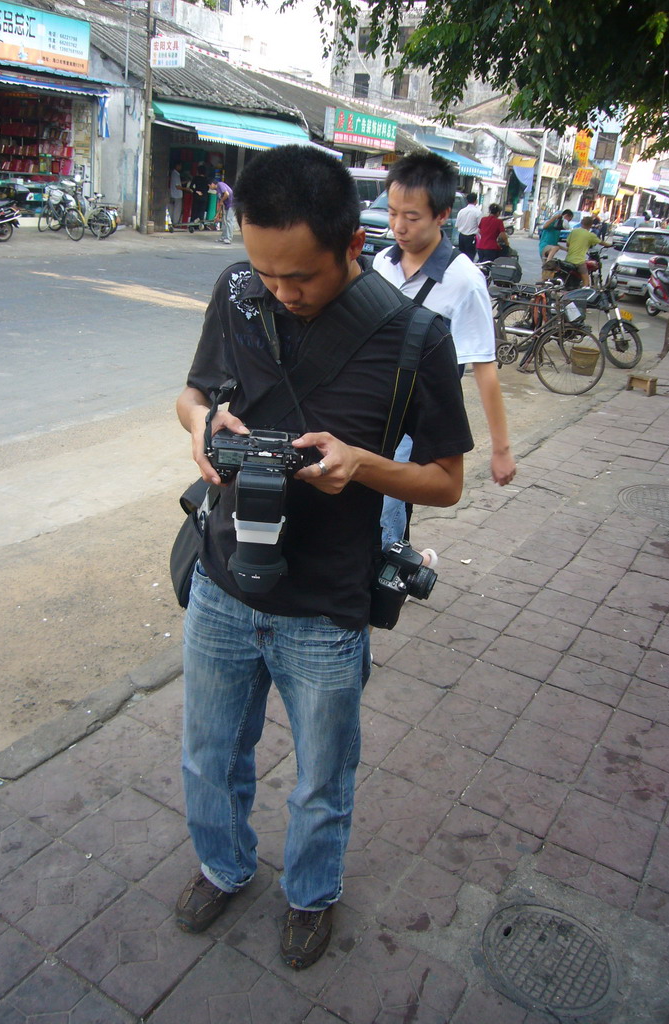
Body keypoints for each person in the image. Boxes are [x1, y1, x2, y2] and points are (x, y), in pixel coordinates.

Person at [174, 144, 473, 969]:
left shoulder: (417, 337)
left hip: (328, 607)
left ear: (351, 245)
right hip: (226, 580)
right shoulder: (237, 294)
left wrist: (363, 464)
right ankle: (223, 865)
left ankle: (310, 895)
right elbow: (192, 393)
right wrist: (201, 427)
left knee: (320, 777)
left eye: (298, 277)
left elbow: (447, 483)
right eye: (264, 271)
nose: (279, 291)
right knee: (208, 754)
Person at [372, 152, 516, 552]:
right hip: (372, 408)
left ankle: (388, 574)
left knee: (388, 503)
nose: (398, 226)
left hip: (416, 418)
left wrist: (501, 450)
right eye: (394, 213)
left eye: (412, 217)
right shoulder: (382, 263)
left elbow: (484, 367)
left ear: (442, 215)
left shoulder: (464, 280)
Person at [565, 215, 612, 286]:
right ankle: (584, 291)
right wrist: (610, 245)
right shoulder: (590, 235)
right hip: (578, 261)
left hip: (568, 260)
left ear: (581, 223)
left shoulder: (573, 231)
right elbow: (602, 243)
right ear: (590, 225)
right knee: (586, 281)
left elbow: (567, 244)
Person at [455, 192, 482, 260]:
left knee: (462, 256)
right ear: (476, 201)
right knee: (470, 257)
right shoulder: (478, 212)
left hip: (461, 236)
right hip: (471, 237)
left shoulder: (461, 211)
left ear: (467, 201)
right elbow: (480, 226)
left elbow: (457, 225)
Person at [188, 164, 210, 231]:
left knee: (194, 211)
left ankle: (192, 225)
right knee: (201, 212)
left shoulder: (196, 178)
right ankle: (200, 225)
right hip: (204, 197)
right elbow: (207, 188)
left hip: (197, 197)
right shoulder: (206, 179)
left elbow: (191, 187)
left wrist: (196, 191)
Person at [214, 178, 235, 244]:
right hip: (226, 205)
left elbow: (227, 194)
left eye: (209, 185)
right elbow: (220, 203)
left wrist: (221, 200)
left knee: (229, 220)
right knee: (224, 220)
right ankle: (224, 237)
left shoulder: (220, 184)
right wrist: (217, 215)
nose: (209, 187)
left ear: (212, 184)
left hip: (232, 204)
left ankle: (229, 238)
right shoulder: (217, 190)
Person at [169, 161, 185, 227]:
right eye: (180, 166)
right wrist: (187, 189)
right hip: (177, 195)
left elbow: (178, 184)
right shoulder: (175, 174)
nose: (181, 167)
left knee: (173, 209)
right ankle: (175, 223)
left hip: (173, 194)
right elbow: (178, 186)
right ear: (177, 166)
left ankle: (172, 222)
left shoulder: (174, 174)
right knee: (177, 210)